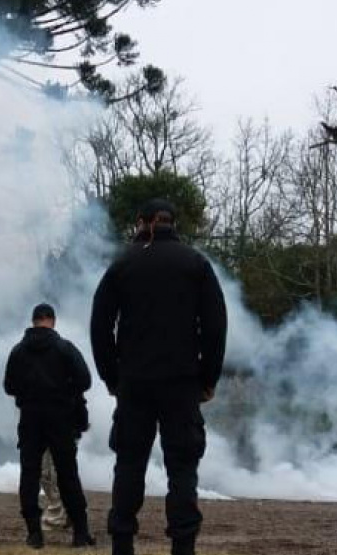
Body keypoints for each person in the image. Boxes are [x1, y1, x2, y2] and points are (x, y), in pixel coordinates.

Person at [89, 199, 227, 555]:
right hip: (182, 382)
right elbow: (215, 327)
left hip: (134, 382)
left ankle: (122, 545)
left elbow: (100, 325)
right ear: (172, 224)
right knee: (182, 468)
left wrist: (111, 377)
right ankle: (183, 547)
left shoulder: (122, 264)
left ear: (142, 222)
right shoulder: (195, 263)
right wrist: (208, 378)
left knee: (129, 464)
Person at [4, 303, 95, 549]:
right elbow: (85, 381)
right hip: (60, 418)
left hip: (30, 418)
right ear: (52, 320)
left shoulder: (18, 351)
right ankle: (80, 532)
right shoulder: (64, 348)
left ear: (34, 320)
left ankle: (34, 533)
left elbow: (9, 386)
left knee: (29, 475)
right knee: (67, 474)